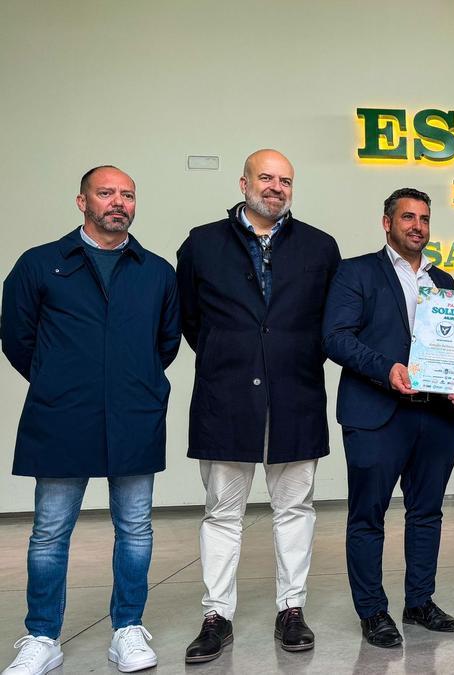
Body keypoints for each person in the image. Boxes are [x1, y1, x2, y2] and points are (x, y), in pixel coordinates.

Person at [1, 166, 180, 674]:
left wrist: (132, 379)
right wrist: (61, 378)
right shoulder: (41, 265)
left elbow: (165, 343)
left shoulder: (156, 271)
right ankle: (41, 637)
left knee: (136, 528)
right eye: (106, 193)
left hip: (134, 414)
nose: (118, 202)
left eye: (127, 194)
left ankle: (127, 628)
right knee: (50, 532)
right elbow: (17, 338)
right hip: (61, 415)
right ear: (82, 201)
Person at [177, 149, 341, 662]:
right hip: (225, 397)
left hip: (296, 395)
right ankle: (216, 615)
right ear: (243, 182)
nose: (276, 187)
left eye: (285, 180)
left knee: (296, 509)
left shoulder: (320, 246)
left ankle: (291, 610)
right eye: (266, 178)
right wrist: (237, 353)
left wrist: (282, 355)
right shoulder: (202, 243)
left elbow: (328, 325)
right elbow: (189, 319)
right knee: (221, 513)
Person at [322, 188, 454, 648]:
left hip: (438, 416)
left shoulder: (444, 281)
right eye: (408, 217)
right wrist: (386, 369)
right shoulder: (356, 272)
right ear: (386, 223)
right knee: (368, 517)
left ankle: (419, 601)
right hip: (377, 414)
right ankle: (372, 612)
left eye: (424, 219)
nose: (418, 226)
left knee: (427, 513)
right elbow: (335, 338)